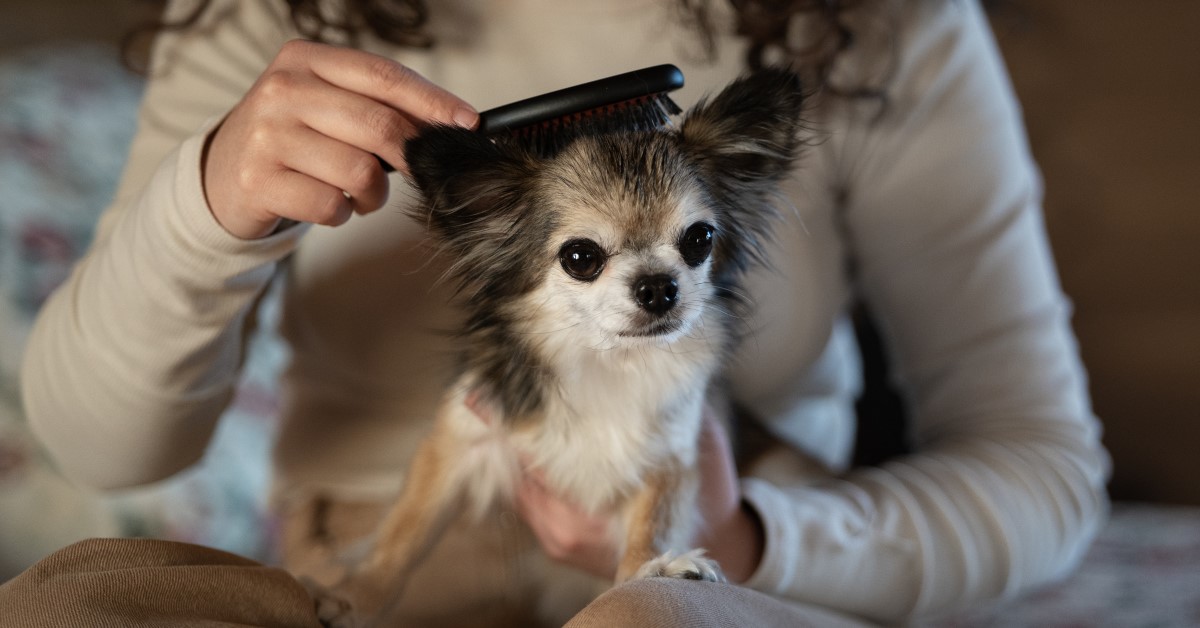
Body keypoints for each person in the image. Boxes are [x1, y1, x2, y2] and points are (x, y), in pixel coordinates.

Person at [8, 0, 1110, 625]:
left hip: (720, 578)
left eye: (691, 245)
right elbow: (104, 447)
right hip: (373, 568)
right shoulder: (272, 18)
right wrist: (205, 206)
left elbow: (1045, 467)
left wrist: (749, 538)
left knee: (653, 621)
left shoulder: (881, 21)